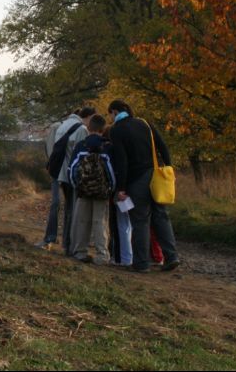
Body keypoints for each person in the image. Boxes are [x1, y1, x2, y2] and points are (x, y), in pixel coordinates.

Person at [107, 100, 180, 273]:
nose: (110, 118)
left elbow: (122, 160)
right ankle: (172, 256)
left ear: (115, 112)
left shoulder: (117, 130)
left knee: (140, 220)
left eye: (110, 114)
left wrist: (121, 187)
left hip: (135, 180)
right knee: (161, 216)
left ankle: (141, 263)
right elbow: (163, 148)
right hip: (155, 176)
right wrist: (169, 170)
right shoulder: (145, 123)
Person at [67, 114, 115, 265]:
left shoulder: (81, 145)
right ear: (103, 129)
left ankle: (80, 251)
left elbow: (72, 168)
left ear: (89, 128)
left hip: (83, 190)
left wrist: (77, 186)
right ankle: (102, 255)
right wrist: (111, 188)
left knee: (82, 221)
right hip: (101, 192)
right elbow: (111, 171)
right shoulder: (107, 146)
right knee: (100, 222)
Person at [53, 107, 96, 256]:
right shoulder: (82, 129)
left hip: (62, 174)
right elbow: (82, 155)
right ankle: (71, 245)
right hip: (73, 175)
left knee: (68, 210)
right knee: (75, 212)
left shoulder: (63, 125)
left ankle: (66, 243)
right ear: (89, 116)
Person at [103, 125, 133, 267]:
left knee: (119, 224)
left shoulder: (111, 150)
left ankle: (121, 258)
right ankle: (131, 256)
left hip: (118, 191)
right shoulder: (132, 148)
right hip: (133, 189)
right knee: (130, 224)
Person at [34, 120, 63, 250]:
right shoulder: (59, 128)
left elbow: (49, 150)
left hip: (57, 172)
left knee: (56, 204)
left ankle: (50, 238)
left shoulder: (56, 127)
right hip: (62, 172)